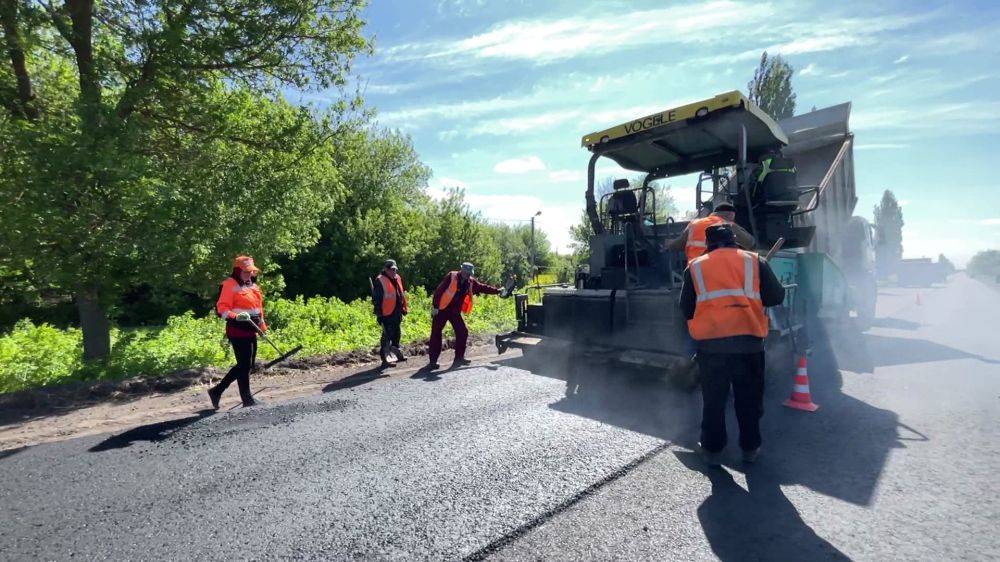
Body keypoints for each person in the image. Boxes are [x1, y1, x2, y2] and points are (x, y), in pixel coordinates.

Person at [680, 224, 786, 465]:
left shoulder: (695, 267)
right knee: (748, 400)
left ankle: (713, 451)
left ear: (709, 245)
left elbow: (686, 308)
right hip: (749, 346)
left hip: (712, 349)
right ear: (733, 241)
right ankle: (750, 449)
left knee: (714, 402)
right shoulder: (755, 261)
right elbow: (776, 296)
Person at [208, 255, 267, 409]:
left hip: (252, 330)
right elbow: (222, 309)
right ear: (237, 270)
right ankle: (247, 399)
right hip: (237, 331)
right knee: (244, 365)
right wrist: (236, 317)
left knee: (247, 365)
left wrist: (262, 327)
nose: (250, 274)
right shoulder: (229, 285)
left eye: (251, 271)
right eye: (246, 271)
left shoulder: (252, 285)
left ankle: (216, 391)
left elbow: (258, 309)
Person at [427, 262, 504, 370]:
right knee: (436, 333)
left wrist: (497, 291)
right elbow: (439, 291)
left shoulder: (470, 282)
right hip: (442, 309)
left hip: (454, 312)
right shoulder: (452, 276)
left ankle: (459, 358)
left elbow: (482, 287)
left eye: (469, 273)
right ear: (462, 270)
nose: (468, 275)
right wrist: (435, 306)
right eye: (466, 273)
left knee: (463, 332)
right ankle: (433, 362)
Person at [664, 202, 756, 263]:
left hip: (694, 271)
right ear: (729, 215)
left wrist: (667, 244)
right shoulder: (728, 225)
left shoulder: (693, 224)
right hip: (716, 270)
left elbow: (678, 244)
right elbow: (750, 243)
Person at [373, 259, 409, 368]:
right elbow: (376, 300)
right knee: (386, 337)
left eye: (395, 269)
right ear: (386, 269)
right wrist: (379, 315)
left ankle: (396, 354)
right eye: (392, 269)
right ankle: (385, 359)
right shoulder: (380, 280)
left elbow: (400, 293)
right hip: (386, 313)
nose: (394, 272)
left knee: (397, 334)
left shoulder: (397, 278)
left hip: (397, 311)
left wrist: (403, 307)